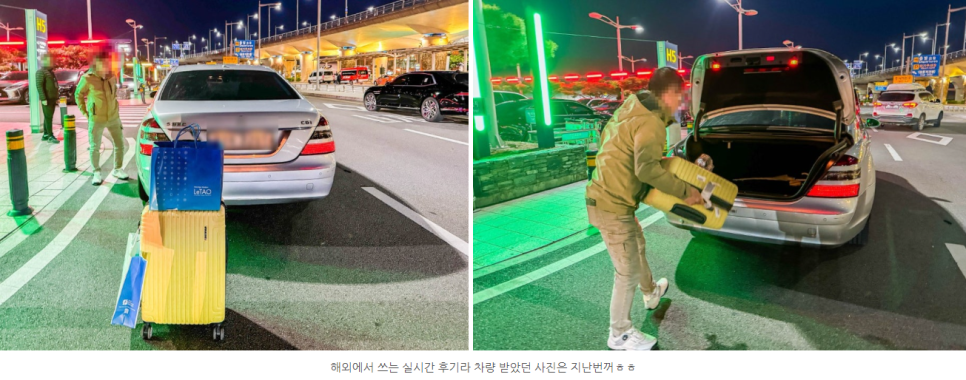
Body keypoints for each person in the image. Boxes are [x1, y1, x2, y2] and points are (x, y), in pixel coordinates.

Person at [585, 67, 705, 351]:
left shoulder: (631, 108)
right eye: (681, 96)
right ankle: (620, 334)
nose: (681, 103)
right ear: (670, 93)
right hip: (611, 205)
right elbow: (647, 169)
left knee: (637, 245)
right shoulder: (650, 123)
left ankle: (650, 293)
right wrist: (687, 191)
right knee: (626, 271)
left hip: (608, 199)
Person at [75, 51, 128, 185]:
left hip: (113, 117)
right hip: (96, 118)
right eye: (102, 62)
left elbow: (114, 94)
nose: (105, 64)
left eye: (106, 62)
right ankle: (96, 172)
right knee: (95, 147)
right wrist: (86, 113)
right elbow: (78, 95)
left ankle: (117, 169)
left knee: (120, 144)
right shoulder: (88, 78)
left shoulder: (112, 76)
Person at [36, 54, 60, 143]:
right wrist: (43, 99)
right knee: (48, 117)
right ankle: (50, 136)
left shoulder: (50, 72)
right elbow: (39, 86)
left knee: (48, 117)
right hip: (47, 99)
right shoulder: (40, 72)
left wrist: (56, 97)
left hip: (52, 98)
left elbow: (55, 85)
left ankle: (46, 134)